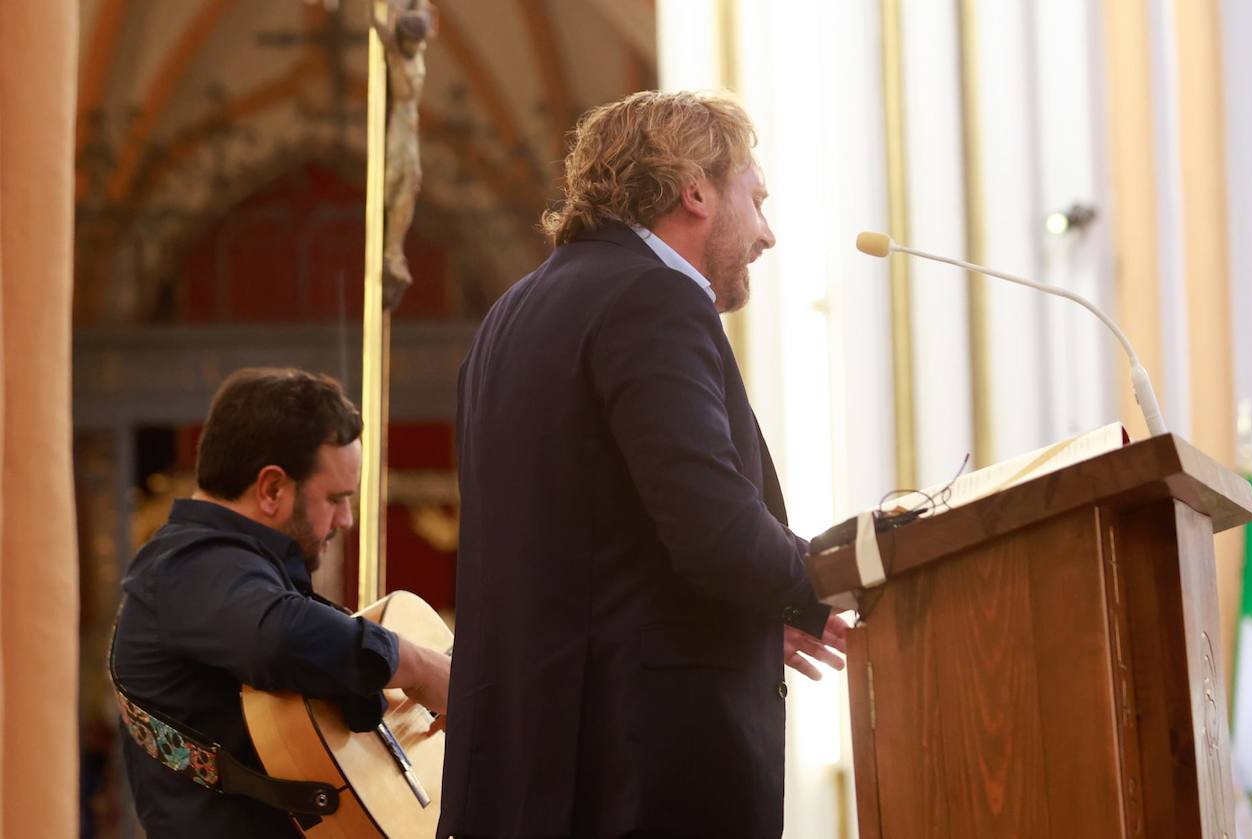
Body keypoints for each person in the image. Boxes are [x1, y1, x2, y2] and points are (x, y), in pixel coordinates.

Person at [439, 91, 849, 839]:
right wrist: (839, 578)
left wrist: (757, 608)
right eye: (756, 198)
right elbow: (714, 530)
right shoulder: (655, 297)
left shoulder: (510, 313)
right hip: (638, 774)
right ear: (696, 190)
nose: (767, 233)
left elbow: (594, 541)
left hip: (523, 769)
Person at [110, 367, 450, 837]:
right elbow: (279, 635)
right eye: (335, 498)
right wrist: (419, 667)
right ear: (271, 489)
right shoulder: (186, 566)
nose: (346, 519)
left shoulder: (230, 570)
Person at [371, 0, 435, 310]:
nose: (419, 45)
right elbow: (382, 28)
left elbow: (424, 11)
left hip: (409, 124)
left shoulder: (414, 50)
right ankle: (392, 251)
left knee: (409, 183)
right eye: (412, 41)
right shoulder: (397, 55)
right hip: (399, 126)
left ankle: (394, 251)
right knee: (397, 180)